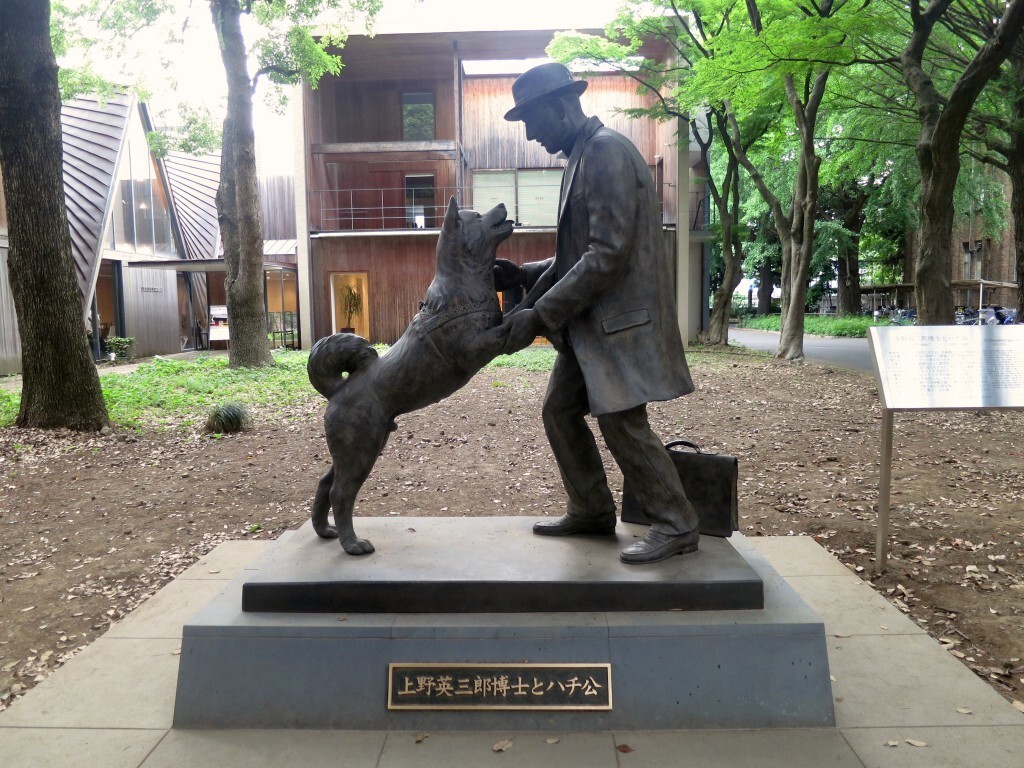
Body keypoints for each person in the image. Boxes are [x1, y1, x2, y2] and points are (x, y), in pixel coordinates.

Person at [495, 62, 700, 564]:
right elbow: (577, 254)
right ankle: (590, 508)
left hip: (618, 324)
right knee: (560, 411)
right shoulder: (581, 156)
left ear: (561, 106)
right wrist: (524, 275)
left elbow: (606, 255)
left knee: (622, 424)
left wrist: (538, 315)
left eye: (532, 121)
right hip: (591, 326)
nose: (531, 134)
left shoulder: (606, 152)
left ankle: (677, 523)